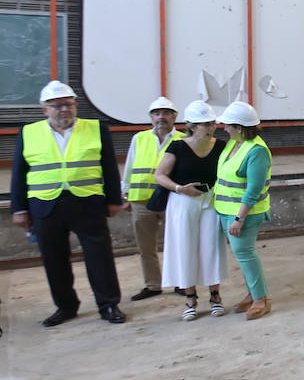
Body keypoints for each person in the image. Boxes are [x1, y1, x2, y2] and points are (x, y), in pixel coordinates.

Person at [9, 80, 126, 326]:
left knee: (99, 256)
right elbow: (19, 173)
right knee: (54, 259)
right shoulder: (29, 133)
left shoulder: (95, 128)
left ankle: (109, 305)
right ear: (45, 110)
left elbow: (109, 167)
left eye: (69, 104)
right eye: (58, 105)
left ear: (75, 105)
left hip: (87, 202)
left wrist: (114, 199)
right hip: (45, 205)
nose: (64, 110)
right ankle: (66, 307)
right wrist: (19, 208)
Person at [155, 99, 228, 320]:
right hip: (183, 202)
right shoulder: (177, 146)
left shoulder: (221, 146)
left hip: (211, 201)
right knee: (184, 246)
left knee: (211, 246)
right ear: (192, 126)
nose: (211, 127)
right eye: (205, 124)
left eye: (212, 123)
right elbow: (159, 175)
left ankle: (215, 296)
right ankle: (190, 298)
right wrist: (179, 189)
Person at [214, 100, 273, 320]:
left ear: (240, 127)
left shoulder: (257, 151)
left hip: (244, 213)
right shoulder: (234, 143)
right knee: (242, 255)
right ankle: (253, 294)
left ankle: (261, 300)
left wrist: (239, 218)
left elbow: (253, 189)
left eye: (228, 125)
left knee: (245, 254)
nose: (224, 128)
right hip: (227, 210)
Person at [121, 95, 184, 300]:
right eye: (157, 114)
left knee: (176, 244)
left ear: (174, 117)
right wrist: (125, 193)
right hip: (141, 200)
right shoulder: (139, 138)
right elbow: (129, 166)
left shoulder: (183, 140)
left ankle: (180, 282)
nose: (161, 117)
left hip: (171, 200)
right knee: (145, 246)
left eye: (166, 113)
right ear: (151, 117)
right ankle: (153, 285)